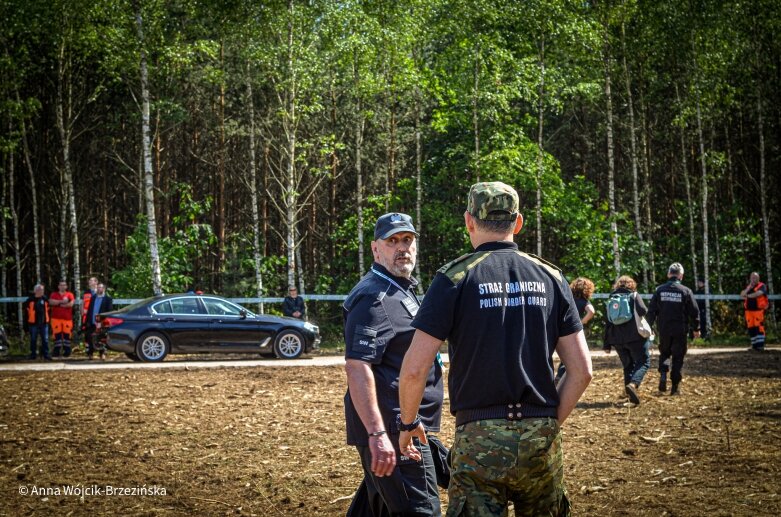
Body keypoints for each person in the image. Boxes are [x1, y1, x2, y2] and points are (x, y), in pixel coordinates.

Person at [398, 182, 592, 516]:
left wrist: (408, 423)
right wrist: (547, 423)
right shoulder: (552, 277)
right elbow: (582, 371)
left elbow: (415, 369)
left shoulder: (454, 278)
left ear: (468, 221)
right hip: (540, 435)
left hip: (478, 436)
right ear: (518, 223)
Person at [343, 212, 445, 516]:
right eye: (393, 241)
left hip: (407, 427)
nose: (402, 247)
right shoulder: (374, 297)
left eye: (408, 240)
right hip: (395, 435)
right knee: (422, 511)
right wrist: (377, 435)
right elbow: (357, 367)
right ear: (376, 249)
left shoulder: (400, 288)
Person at [646, 263, 700, 396]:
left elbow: (651, 311)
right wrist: (696, 328)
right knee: (678, 357)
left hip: (664, 329)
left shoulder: (659, 290)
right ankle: (675, 387)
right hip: (680, 330)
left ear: (669, 274)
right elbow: (694, 311)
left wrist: (648, 328)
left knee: (664, 353)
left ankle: (663, 374)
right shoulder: (686, 291)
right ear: (680, 275)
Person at [603, 275, 650, 405]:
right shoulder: (633, 295)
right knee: (643, 362)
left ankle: (629, 395)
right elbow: (643, 310)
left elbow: (608, 322)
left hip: (617, 339)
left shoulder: (612, 298)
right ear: (631, 285)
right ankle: (633, 385)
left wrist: (606, 344)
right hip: (635, 337)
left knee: (627, 365)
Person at [555, 277, 595, 384]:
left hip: (562, 329)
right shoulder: (584, 301)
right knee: (574, 355)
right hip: (575, 331)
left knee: (565, 354)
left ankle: (559, 375)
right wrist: (582, 322)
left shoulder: (568, 298)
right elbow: (591, 311)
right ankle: (562, 376)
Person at [740, 272, 769, 352]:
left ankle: (760, 346)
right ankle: (754, 346)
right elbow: (742, 294)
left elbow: (758, 294)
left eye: (755, 278)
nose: (753, 279)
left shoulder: (762, 286)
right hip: (749, 312)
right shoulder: (748, 287)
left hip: (758, 311)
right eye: (752, 278)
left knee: (759, 328)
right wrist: (748, 288)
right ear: (750, 278)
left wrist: (748, 296)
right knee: (751, 328)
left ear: (758, 278)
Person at [85, 283, 114, 360]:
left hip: (102, 323)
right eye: (97, 288)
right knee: (90, 338)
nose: (98, 289)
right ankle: (90, 354)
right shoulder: (93, 298)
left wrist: (106, 322)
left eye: (100, 287)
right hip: (92, 322)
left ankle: (102, 353)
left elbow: (110, 311)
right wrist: (87, 321)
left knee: (102, 338)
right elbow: (89, 310)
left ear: (104, 288)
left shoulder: (108, 299)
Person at [23, 284, 51, 360]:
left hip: (44, 323)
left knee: (45, 339)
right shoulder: (30, 300)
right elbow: (26, 313)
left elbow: (49, 311)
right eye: (40, 289)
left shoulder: (45, 299)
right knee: (33, 339)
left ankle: (46, 355)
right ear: (36, 291)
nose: (42, 291)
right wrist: (25, 325)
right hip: (33, 323)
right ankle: (33, 354)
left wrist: (48, 321)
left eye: (42, 289)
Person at [49, 280, 76, 358]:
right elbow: (51, 302)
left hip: (67, 319)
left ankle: (67, 351)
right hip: (55, 319)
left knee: (67, 336)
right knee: (56, 335)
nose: (62, 286)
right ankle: (56, 351)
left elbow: (70, 304)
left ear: (66, 286)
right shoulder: (54, 294)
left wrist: (59, 304)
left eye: (64, 285)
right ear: (58, 286)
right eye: (61, 285)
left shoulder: (69, 294)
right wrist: (62, 301)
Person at [81, 276, 98, 344]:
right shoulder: (86, 292)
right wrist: (82, 311)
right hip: (87, 316)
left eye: (91, 280)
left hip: (97, 316)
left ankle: (101, 352)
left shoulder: (99, 291)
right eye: (89, 280)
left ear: (96, 282)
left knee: (98, 333)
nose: (89, 282)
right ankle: (89, 351)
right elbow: (83, 302)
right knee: (87, 333)